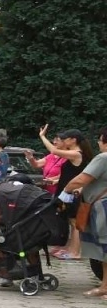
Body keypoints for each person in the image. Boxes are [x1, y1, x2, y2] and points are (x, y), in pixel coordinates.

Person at [61, 128, 107, 297]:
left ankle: (105, 287)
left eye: (100, 139)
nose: (98, 143)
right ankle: (104, 286)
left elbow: (82, 178)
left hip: (103, 207)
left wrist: (66, 191)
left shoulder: (103, 158)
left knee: (105, 247)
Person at [41, 126, 88, 259]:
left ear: (73, 140)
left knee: (75, 223)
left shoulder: (77, 153)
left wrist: (42, 136)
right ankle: (70, 248)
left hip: (73, 193)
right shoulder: (72, 153)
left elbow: (53, 150)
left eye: (65, 139)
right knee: (71, 222)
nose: (63, 141)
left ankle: (75, 252)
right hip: (66, 192)